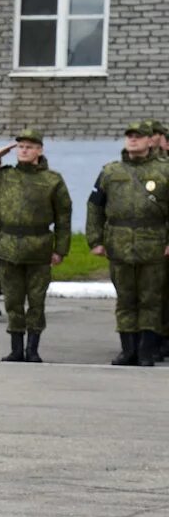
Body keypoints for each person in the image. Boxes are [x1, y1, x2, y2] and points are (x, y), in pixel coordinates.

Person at [86, 121, 169, 366]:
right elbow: (95, 207)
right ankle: (127, 350)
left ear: (149, 141)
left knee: (150, 299)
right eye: (129, 136)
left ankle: (146, 352)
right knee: (125, 299)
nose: (132, 140)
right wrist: (95, 240)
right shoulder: (111, 171)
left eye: (138, 136)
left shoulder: (164, 170)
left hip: (152, 244)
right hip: (118, 244)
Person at [0, 129, 71, 362]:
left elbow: (64, 217)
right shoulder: (3, 176)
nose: (24, 150)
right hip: (8, 247)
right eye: (20, 146)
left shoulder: (52, 180)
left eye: (29, 146)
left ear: (39, 150)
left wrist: (61, 249)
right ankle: (16, 348)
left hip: (39, 247)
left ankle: (32, 349)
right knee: (13, 300)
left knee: (36, 300)